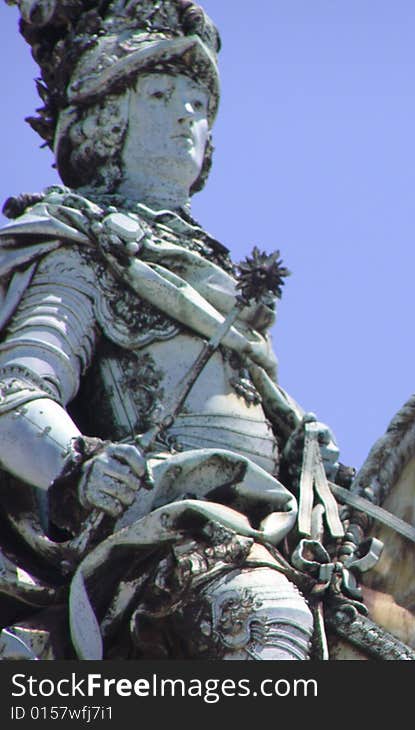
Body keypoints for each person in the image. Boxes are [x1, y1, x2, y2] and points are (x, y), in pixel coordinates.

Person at [0, 0, 356, 660]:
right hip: (159, 538)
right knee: (268, 619)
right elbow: (15, 394)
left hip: (275, 527)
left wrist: (311, 454)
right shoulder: (81, 253)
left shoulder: (212, 275)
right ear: (105, 121)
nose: (187, 114)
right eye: (160, 93)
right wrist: (81, 465)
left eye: (198, 100)